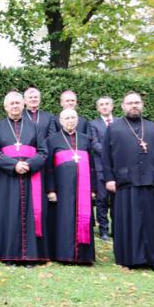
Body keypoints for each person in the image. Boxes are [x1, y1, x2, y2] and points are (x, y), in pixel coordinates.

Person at [102, 92, 154, 270]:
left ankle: (153, 258)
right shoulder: (114, 128)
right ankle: (130, 258)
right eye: (130, 103)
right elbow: (106, 157)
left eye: (137, 103)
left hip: (150, 182)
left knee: (151, 221)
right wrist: (109, 179)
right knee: (128, 222)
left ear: (142, 105)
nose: (134, 106)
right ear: (123, 106)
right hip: (125, 182)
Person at [0, 91, 48, 265]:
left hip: (31, 177)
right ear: (5, 106)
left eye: (17, 103)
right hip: (8, 178)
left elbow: (44, 152)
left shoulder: (35, 127)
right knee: (9, 214)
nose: (15, 106)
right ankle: (9, 256)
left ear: (23, 105)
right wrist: (14, 165)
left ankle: (31, 256)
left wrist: (29, 164)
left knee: (31, 213)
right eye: (11, 103)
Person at [45, 109, 96, 264]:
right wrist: (51, 189)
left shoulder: (86, 139)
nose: (70, 121)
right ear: (61, 121)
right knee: (64, 219)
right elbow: (48, 168)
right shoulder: (52, 140)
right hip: (62, 188)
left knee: (83, 217)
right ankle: (63, 254)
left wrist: (93, 189)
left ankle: (84, 256)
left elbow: (92, 166)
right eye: (67, 118)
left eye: (73, 117)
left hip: (83, 187)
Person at [88, 96, 115, 241]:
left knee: (117, 200)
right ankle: (103, 229)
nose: (104, 107)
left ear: (112, 106)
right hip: (101, 168)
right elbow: (95, 144)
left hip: (118, 168)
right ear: (98, 108)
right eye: (101, 105)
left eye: (107, 104)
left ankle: (117, 229)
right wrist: (111, 153)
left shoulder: (121, 123)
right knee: (102, 200)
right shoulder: (93, 124)